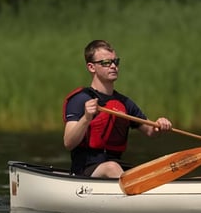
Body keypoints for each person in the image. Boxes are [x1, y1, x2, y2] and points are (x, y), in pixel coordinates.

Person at [63, 40, 172, 178]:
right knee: (111, 168)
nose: (113, 66)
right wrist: (86, 118)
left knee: (151, 169)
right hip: (85, 169)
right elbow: (68, 142)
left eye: (115, 62)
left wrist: (160, 125)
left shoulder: (124, 103)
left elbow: (151, 131)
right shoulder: (80, 99)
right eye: (106, 63)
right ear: (91, 67)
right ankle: (135, 194)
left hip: (117, 165)